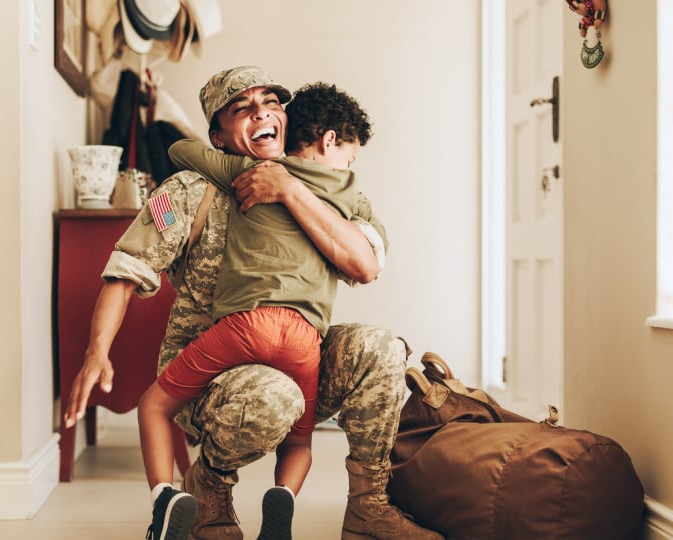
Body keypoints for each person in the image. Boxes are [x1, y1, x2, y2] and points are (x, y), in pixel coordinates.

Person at [64, 66, 442, 540]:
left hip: (299, 349)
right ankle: (209, 494)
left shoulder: (329, 184)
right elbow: (125, 272)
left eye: (270, 102)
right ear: (219, 138)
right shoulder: (188, 190)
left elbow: (365, 262)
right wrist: (96, 352)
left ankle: (369, 507)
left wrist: (291, 190)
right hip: (212, 372)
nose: (261, 112)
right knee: (273, 396)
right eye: (241, 108)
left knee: (382, 348)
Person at [132, 81, 379, 540]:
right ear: (329, 142)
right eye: (351, 153)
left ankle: (166, 499)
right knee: (300, 440)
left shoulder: (251, 173)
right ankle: (281, 498)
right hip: (305, 338)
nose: (350, 165)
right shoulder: (348, 196)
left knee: (154, 405)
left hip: (249, 325)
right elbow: (368, 256)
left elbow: (181, 149)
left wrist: (237, 157)